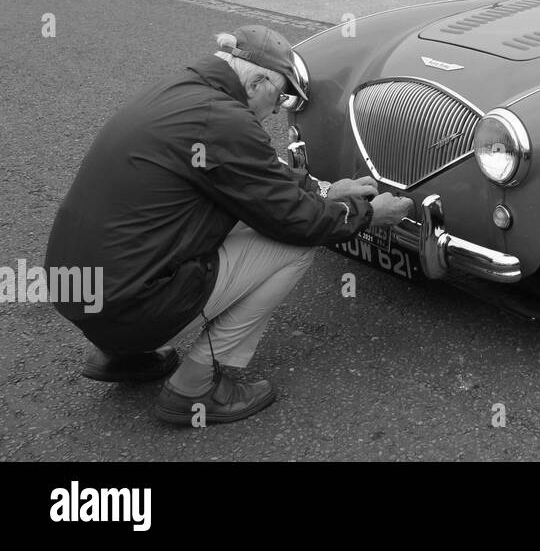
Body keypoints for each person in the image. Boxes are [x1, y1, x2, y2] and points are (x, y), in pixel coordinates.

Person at [44, 24, 414, 425]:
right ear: (256, 82)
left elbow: (256, 173)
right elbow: (299, 223)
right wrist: (368, 215)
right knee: (294, 246)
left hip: (76, 291)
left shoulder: (182, 92)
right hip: (128, 308)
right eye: (281, 93)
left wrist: (326, 190)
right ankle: (195, 388)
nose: (278, 108)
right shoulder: (223, 121)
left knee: (191, 223)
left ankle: (123, 355)